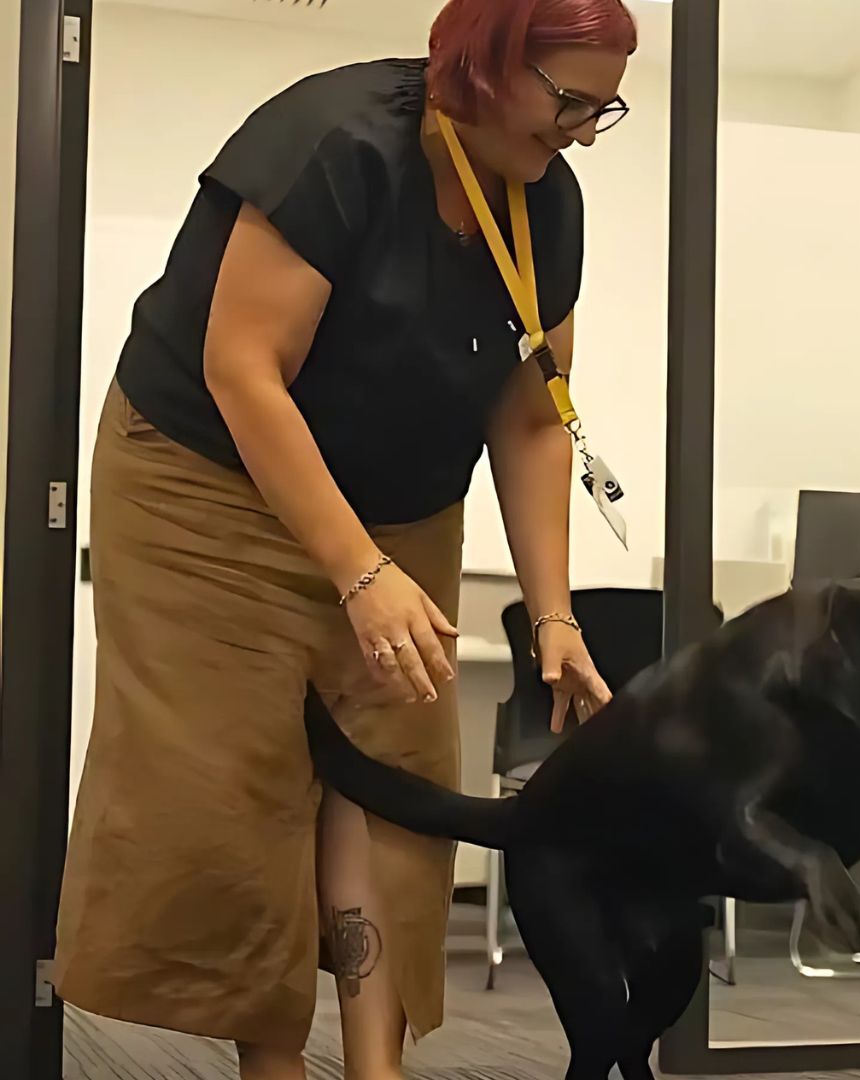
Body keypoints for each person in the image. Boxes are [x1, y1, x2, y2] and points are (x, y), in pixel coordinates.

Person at [54, 2, 638, 1077]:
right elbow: (243, 370)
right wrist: (355, 573)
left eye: (606, 109)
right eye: (570, 100)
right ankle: (271, 1064)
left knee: (397, 766)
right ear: (482, 60)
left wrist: (553, 612)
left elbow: (528, 413)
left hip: (401, 503)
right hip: (208, 482)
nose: (585, 130)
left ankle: (376, 1068)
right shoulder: (339, 142)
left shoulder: (547, 205)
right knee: (241, 784)